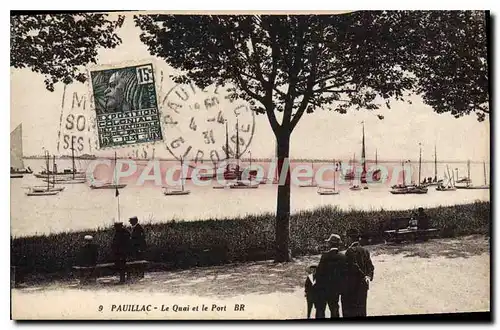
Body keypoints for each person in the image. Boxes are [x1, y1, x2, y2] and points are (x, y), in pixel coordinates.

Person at [342, 230, 374, 318]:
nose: (345, 240)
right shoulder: (365, 250)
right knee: (362, 310)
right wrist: (368, 276)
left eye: (346, 237)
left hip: (353, 287)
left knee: (352, 312)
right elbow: (371, 267)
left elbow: (354, 267)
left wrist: (363, 276)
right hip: (363, 286)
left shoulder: (349, 252)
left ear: (349, 238)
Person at [315, 234, 347, 319]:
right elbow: (344, 274)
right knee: (334, 309)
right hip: (335, 289)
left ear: (330, 244)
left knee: (320, 310)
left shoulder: (325, 256)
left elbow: (319, 273)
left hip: (324, 288)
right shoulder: (343, 257)